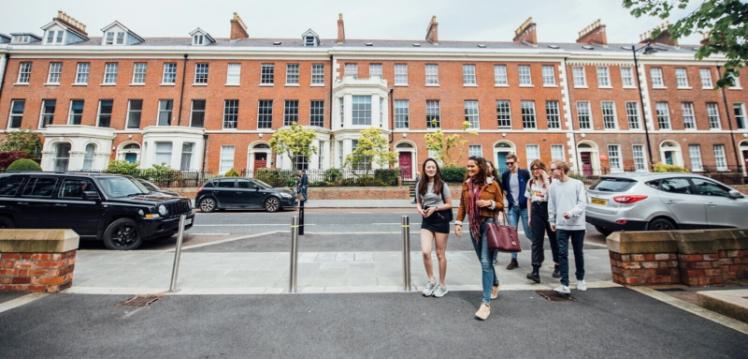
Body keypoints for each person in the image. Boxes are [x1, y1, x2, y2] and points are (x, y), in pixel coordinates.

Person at [455, 156, 504, 320]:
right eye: (468, 167)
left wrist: (489, 204)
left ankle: (485, 303)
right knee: (485, 262)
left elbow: (501, 204)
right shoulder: (466, 184)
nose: (469, 169)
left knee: (485, 262)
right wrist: (458, 222)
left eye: (472, 166)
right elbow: (462, 205)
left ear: (480, 167)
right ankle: (495, 283)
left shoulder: (492, 183)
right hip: (473, 226)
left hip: (488, 224)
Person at [548, 160, 587, 295]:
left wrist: (571, 213)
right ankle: (564, 284)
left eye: (553, 169)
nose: (551, 172)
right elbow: (551, 204)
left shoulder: (577, 184)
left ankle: (580, 279)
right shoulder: (553, 186)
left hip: (577, 225)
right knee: (562, 254)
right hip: (561, 225)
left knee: (578, 252)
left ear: (561, 170)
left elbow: (582, 204)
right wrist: (552, 220)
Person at [415, 159, 452, 298]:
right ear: (424, 169)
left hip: (441, 219)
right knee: (425, 252)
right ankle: (431, 280)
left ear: (436, 169)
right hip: (427, 220)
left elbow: (449, 204)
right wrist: (420, 209)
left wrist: (435, 208)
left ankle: (442, 285)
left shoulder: (442, 185)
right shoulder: (420, 184)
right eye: (428, 167)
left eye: (433, 167)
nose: (431, 169)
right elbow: (418, 202)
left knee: (440, 254)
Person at [525, 159, 560, 283]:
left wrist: (545, 180)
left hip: (549, 210)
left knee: (554, 239)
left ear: (542, 169)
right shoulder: (530, 182)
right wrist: (529, 217)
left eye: (537, 168)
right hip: (536, 211)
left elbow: (553, 195)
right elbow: (529, 200)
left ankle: (558, 265)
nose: (535, 171)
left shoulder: (551, 181)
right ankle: (535, 270)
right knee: (536, 241)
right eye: (533, 169)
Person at [500, 153, 530, 270]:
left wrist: (526, 201)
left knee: (528, 233)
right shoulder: (505, 175)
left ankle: (538, 250)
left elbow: (530, 188)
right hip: (513, 207)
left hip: (524, 207)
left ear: (517, 162)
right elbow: (505, 190)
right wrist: (509, 200)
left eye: (511, 163)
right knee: (512, 233)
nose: (509, 165)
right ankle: (514, 259)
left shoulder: (524, 173)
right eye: (507, 163)